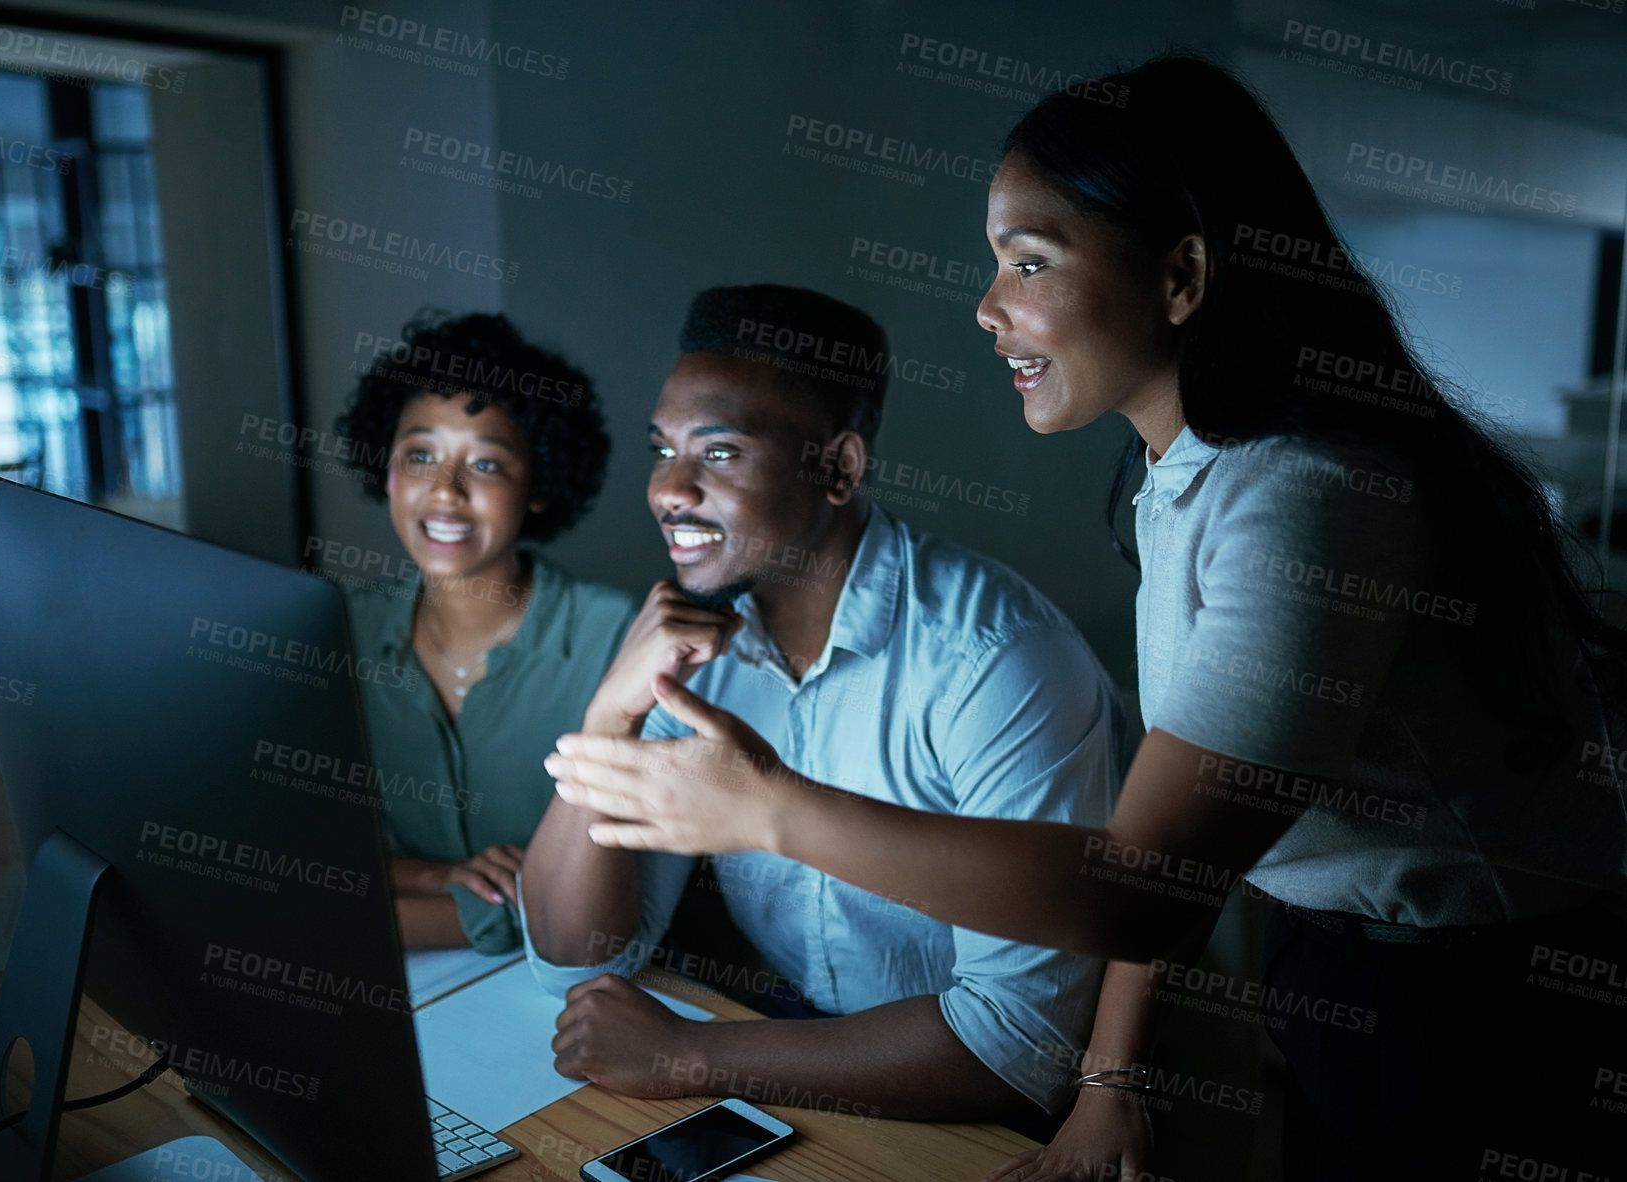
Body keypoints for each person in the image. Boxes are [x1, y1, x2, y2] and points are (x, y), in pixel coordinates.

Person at [543, 57, 1627, 1180]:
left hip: (1486, 1000)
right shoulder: (1187, 476)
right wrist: (1114, 1078)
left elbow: (1142, 887)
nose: (986, 306)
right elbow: (1195, 825)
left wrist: (769, 814)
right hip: (1335, 967)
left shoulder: (1311, 499)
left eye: (1029, 261)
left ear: (1182, 275)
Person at [521, 284, 1154, 1152]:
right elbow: (579, 953)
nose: (668, 489)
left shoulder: (996, 660)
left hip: (978, 1119)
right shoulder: (692, 646)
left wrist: (693, 1056)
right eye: (661, 450)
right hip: (792, 1076)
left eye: (719, 452)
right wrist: (609, 716)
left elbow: (1018, 1048)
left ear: (838, 468)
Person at [334, 310, 633, 955]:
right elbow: (312, 849)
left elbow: (614, 899)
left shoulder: (618, 643)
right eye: (420, 456)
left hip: (578, 995)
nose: (445, 492)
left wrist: (347, 923)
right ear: (385, 469)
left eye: (487, 465)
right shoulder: (340, 632)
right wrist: (439, 877)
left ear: (538, 485)